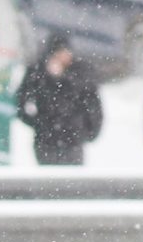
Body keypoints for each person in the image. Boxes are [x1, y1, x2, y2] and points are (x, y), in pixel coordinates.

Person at [16, 34, 102, 167]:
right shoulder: (38, 72)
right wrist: (37, 122)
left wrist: (90, 130)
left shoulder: (80, 72)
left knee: (72, 181)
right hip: (47, 138)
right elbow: (22, 100)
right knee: (49, 180)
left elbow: (93, 104)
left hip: (73, 137)